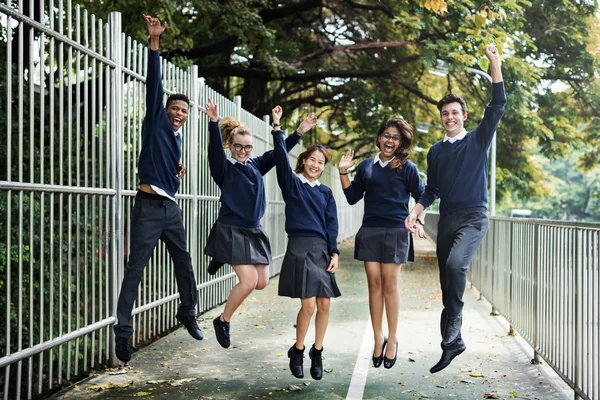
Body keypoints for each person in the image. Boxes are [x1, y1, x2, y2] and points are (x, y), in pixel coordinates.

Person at [405, 45, 506, 373]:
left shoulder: (478, 139)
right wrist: (416, 210)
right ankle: (451, 343)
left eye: (455, 112)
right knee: (447, 283)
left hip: (473, 217)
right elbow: (431, 189)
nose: (450, 117)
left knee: (455, 267)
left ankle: (455, 330)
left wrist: (494, 64)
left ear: (463, 116)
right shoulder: (435, 151)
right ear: (442, 118)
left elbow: (498, 104)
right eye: (445, 113)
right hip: (447, 219)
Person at [113, 15, 202, 363]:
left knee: (185, 262)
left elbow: (166, 163)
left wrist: (176, 170)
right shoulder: (156, 122)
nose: (178, 113)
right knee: (136, 268)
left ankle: (188, 311)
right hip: (149, 207)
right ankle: (123, 334)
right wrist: (154, 43)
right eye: (174, 109)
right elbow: (155, 85)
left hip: (171, 209)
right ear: (165, 111)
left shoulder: (176, 140)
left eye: (183, 110)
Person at [201, 98, 305, 348]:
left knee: (261, 283)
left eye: (248, 148)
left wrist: (298, 131)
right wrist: (214, 122)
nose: (244, 152)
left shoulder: (257, 165)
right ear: (231, 145)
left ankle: (221, 256)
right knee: (247, 282)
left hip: (254, 231)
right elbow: (214, 151)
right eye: (239, 147)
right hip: (231, 230)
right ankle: (223, 321)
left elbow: (279, 152)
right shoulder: (224, 168)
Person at [339, 118, 426, 369]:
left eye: (395, 138)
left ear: (401, 143)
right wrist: (343, 171)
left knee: (390, 285)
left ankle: (393, 339)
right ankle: (378, 337)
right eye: (386, 135)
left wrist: (417, 220)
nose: (390, 140)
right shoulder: (366, 166)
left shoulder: (408, 168)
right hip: (371, 230)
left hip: (396, 231)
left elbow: (422, 197)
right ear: (379, 138)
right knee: (373, 285)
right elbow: (353, 197)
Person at [270, 106, 340, 380]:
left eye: (321, 162)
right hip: (299, 248)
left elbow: (331, 224)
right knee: (308, 305)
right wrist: (279, 128)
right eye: (312, 159)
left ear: (324, 167)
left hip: (322, 250)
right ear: (303, 161)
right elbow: (278, 156)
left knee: (325, 305)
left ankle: (317, 351)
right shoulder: (293, 184)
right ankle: (298, 349)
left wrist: (334, 251)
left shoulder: (325, 192)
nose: (316, 165)